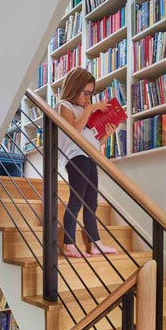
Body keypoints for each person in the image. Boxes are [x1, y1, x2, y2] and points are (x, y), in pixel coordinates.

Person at [57, 67, 118, 258]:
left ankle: (95, 243)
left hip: (89, 156)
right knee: (77, 200)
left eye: (90, 94)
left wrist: (105, 136)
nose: (87, 98)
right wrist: (90, 109)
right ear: (75, 87)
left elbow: (91, 140)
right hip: (76, 157)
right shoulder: (64, 106)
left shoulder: (83, 110)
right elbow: (74, 130)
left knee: (91, 202)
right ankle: (69, 243)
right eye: (85, 93)